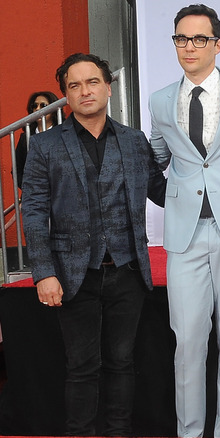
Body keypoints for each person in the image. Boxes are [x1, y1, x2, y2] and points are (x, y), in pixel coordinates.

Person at [21, 53, 166, 436]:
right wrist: (43, 273)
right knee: (81, 367)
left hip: (128, 271)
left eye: (92, 82)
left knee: (122, 363)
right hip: (72, 275)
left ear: (108, 87)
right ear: (66, 94)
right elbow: (33, 211)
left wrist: (215, 177)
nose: (85, 91)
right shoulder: (45, 145)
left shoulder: (135, 141)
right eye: (74, 85)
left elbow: (163, 192)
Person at [148, 4, 220, 437]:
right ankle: (189, 432)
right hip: (184, 235)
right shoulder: (159, 99)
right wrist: (175, 197)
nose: (190, 47)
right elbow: (158, 159)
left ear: (218, 44)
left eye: (200, 39)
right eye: (182, 38)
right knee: (188, 345)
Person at [14, 91, 60, 187]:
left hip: (60, 193)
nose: (38, 109)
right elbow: (17, 169)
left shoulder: (63, 133)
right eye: (35, 106)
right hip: (34, 196)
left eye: (43, 105)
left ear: (53, 109)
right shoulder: (25, 138)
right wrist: (29, 188)